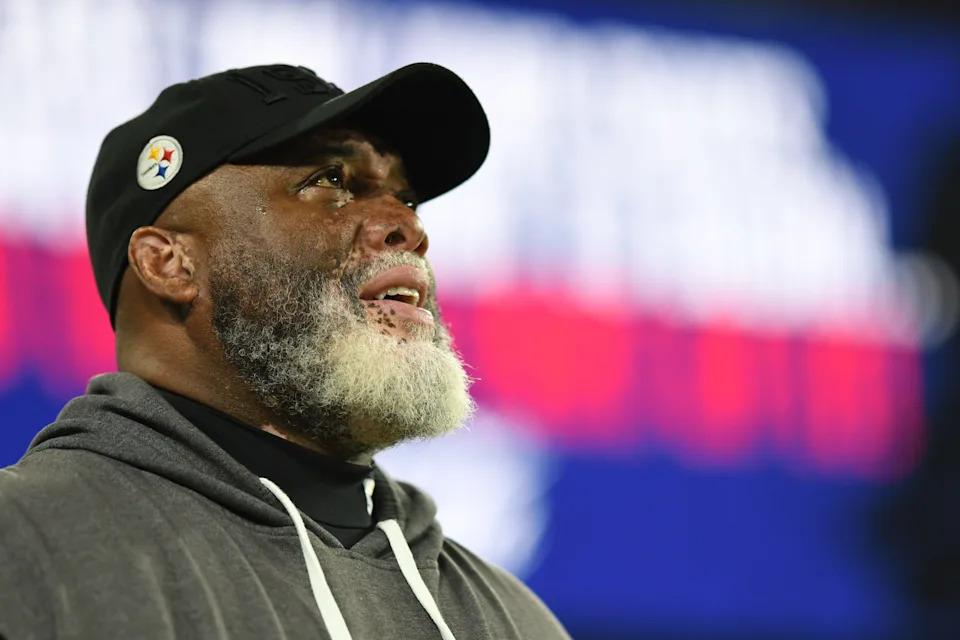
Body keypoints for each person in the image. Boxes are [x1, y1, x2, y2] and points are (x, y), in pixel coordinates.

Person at [0, 63, 570, 640]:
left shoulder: (516, 622)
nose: (408, 227)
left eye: (406, 198)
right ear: (169, 263)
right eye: (331, 180)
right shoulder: (26, 543)